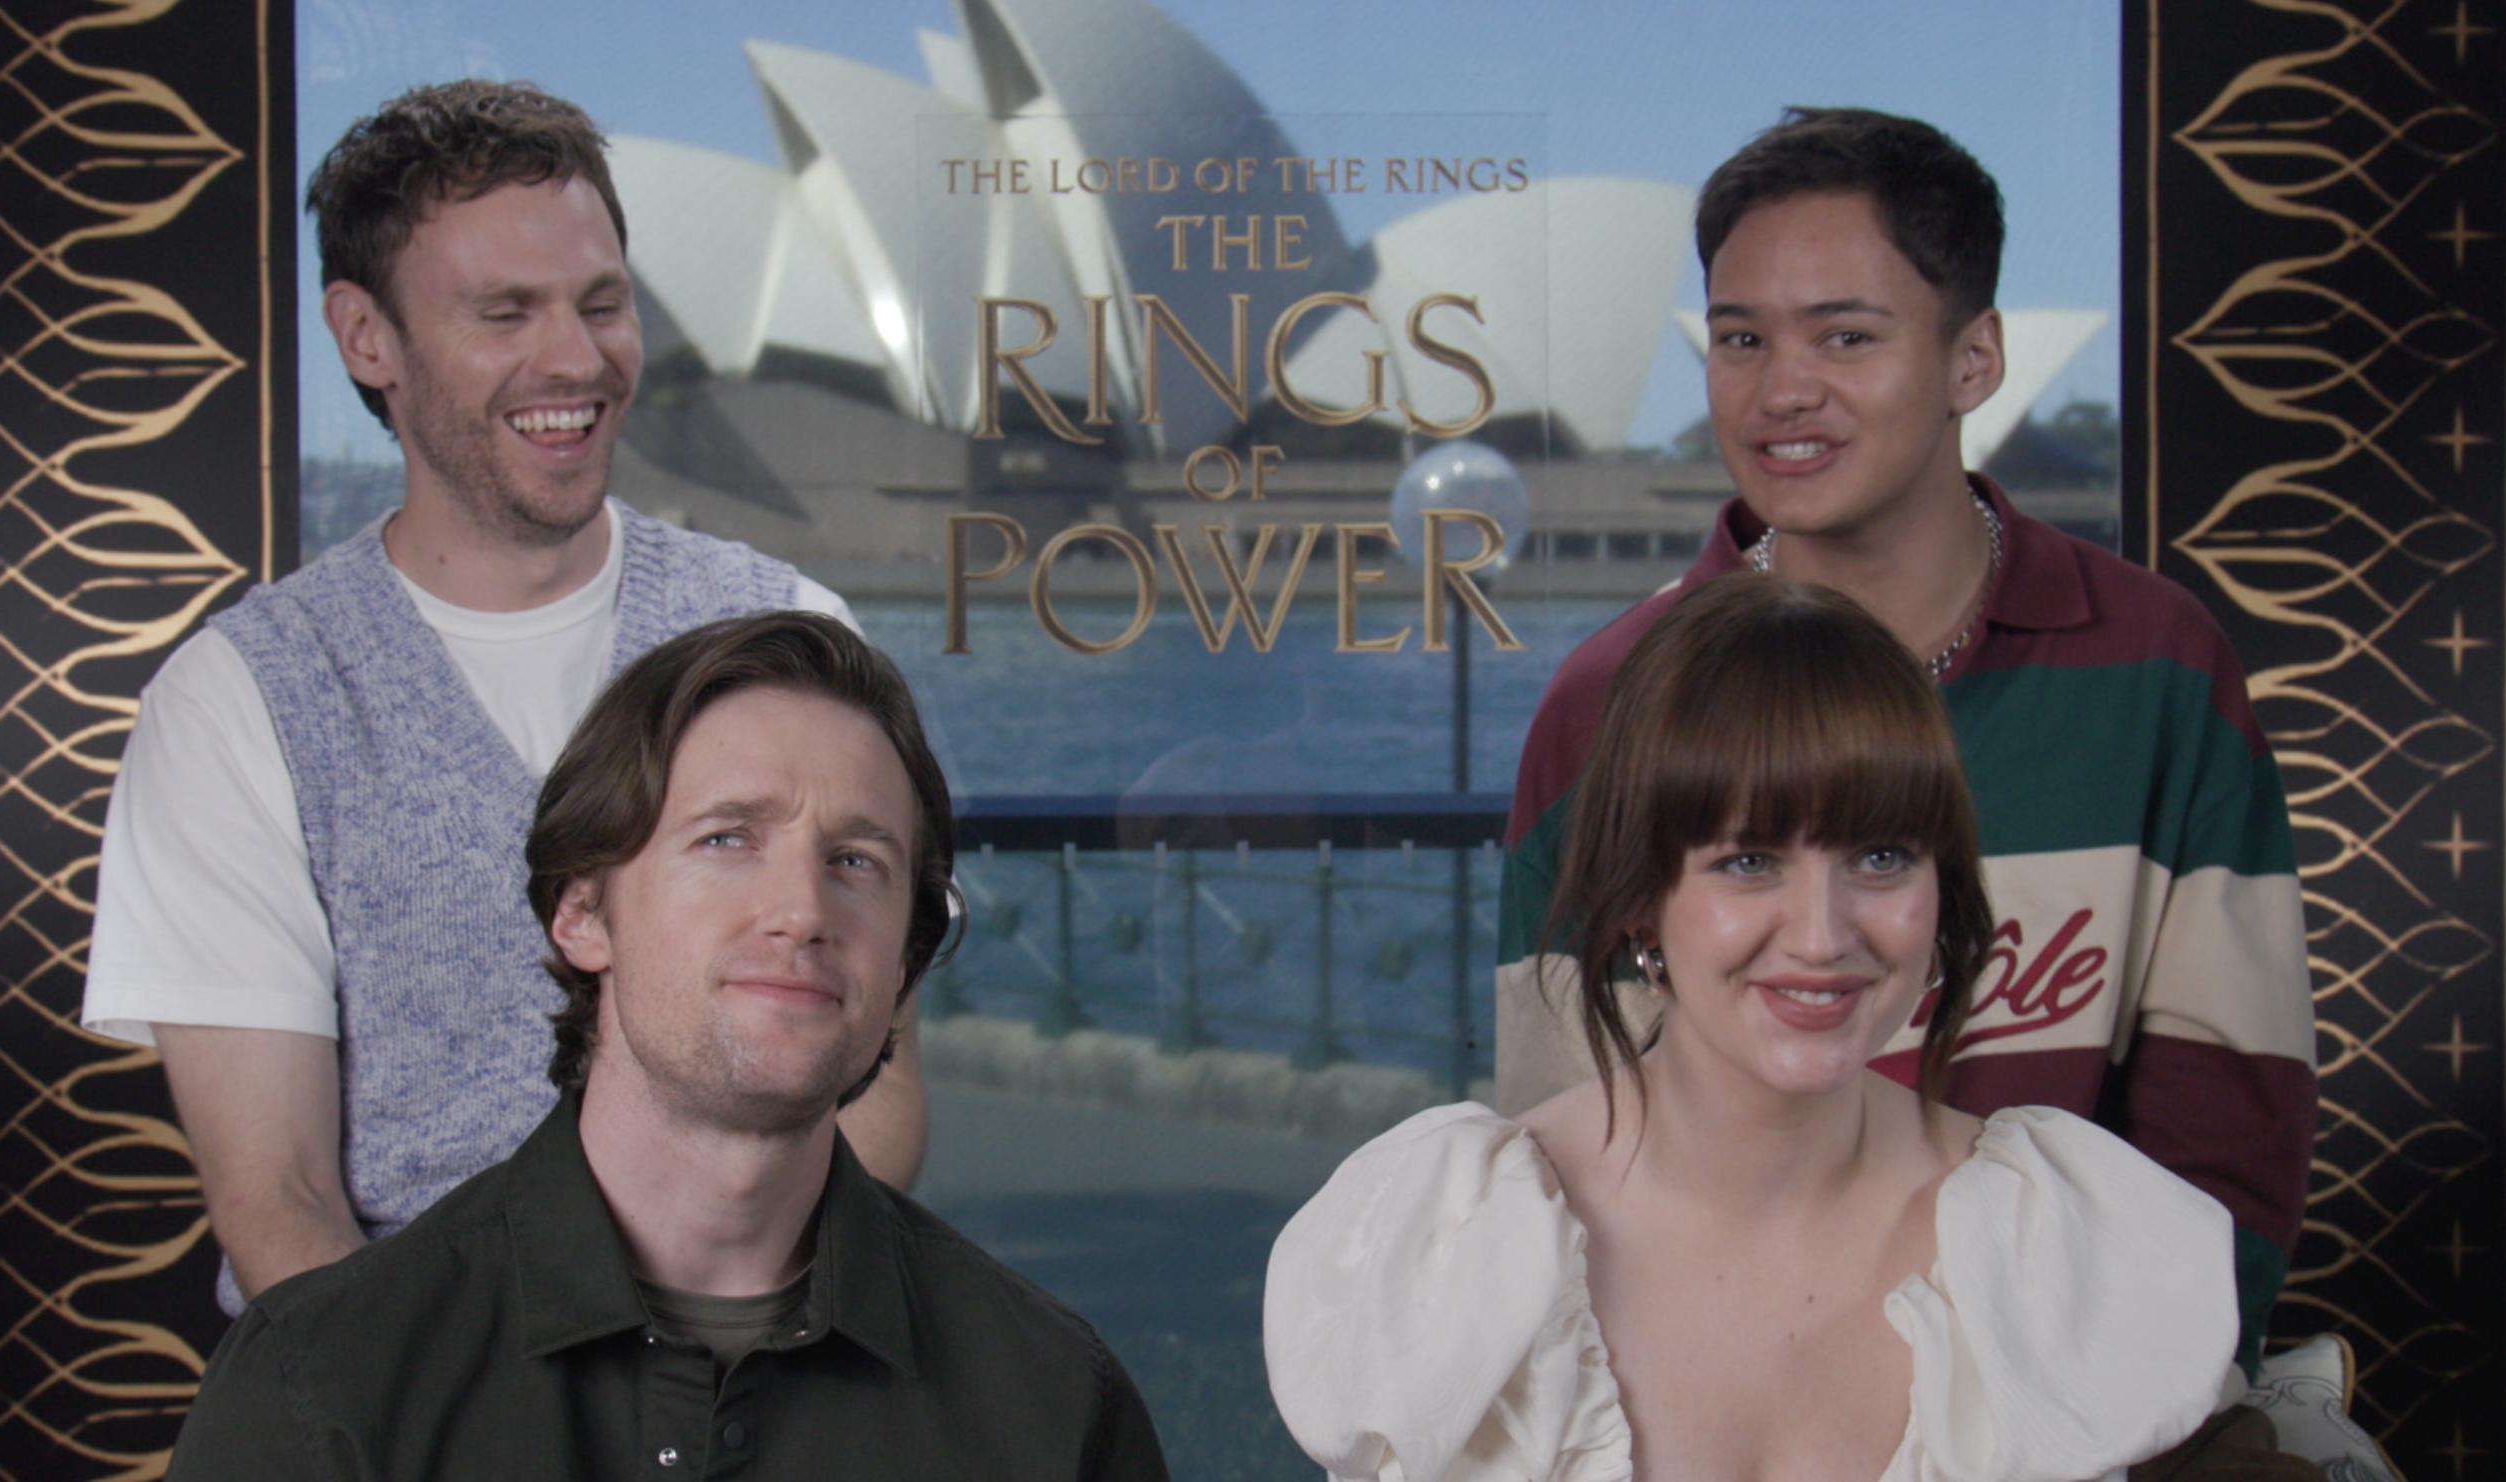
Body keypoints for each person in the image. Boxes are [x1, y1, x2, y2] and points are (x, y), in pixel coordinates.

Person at [79, 80, 924, 1313]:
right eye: (505, 312)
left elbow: (878, 1080)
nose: (576, 359)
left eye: (601, 303)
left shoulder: (792, 632)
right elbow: (280, 1199)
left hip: (766, 1369)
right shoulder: (239, 702)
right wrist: (518, 1406)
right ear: (366, 338)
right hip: (397, 1388)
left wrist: (732, 1363)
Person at [1493, 108, 2316, 1373]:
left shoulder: (2156, 664)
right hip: (1720, 1407)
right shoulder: (1609, 701)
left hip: (2077, 1402)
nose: (1782, 390)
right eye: (1740, 339)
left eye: (1846, 336)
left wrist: (2131, 1402)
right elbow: (1567, 1144)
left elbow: (2228, 1123)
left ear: (1973, 360)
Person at [1268, 576, 2304, 1482]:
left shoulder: (2066, 1248)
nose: (1821, 936)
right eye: (1748, 862)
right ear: (1641, 900)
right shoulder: (1447, 1250)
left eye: (1882, 858)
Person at [164, 611, 1170, 1481]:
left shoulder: (1052, 1402)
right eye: (727, 839)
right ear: (581, 914)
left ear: (905, 958)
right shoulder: (323, 1383)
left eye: (856, 861)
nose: (801, 911)